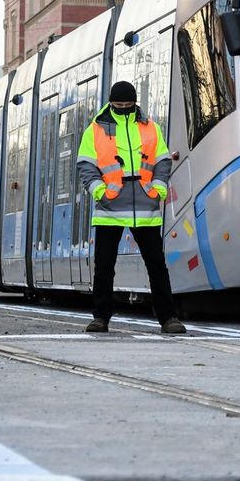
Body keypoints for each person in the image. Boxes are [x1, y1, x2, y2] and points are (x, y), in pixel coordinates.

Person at [76, 81, 186, 335]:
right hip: (110, 207)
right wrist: (100, 191)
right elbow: (85, 165)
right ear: (111, 103)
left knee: (156, 265)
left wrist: (158, 189)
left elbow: (163, 161)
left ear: (134, 103)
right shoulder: (95, 129)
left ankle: (169, 318)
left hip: (145, 207)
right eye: (118, 105)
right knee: (104, 266)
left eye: (127, 105)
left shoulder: (151, 128)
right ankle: (100, 318)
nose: (123, 109)